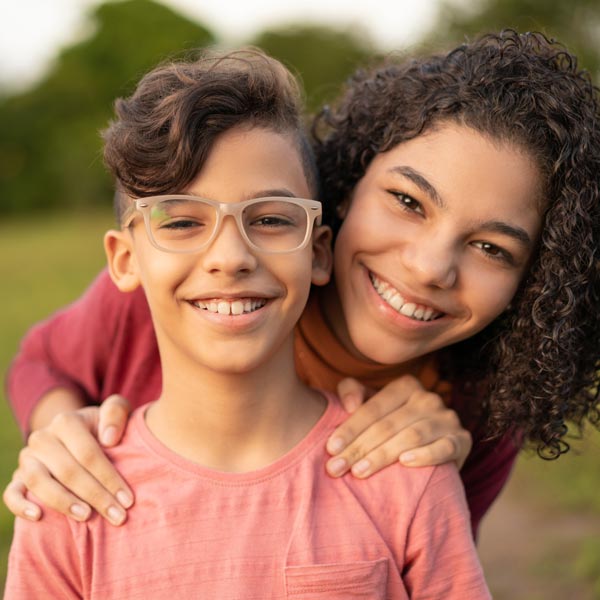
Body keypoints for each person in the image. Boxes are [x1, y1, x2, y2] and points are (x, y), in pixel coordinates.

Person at [5, 29, 600, 540]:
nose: (428, 268)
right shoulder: (191, 292)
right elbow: (43, 360)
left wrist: (436, 484)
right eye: (407, 201)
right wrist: (61, 432)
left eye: (493, 249)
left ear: (537, 283)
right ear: (345, 188)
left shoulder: (480, 414)